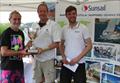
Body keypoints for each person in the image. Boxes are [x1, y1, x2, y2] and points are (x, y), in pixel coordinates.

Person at [59, 6, 92, 83]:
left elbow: (89, 45)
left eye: (73, 13)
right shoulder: (64, 29)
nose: (72, 15)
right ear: (66, 16)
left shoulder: (83, 28)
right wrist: (63, 57)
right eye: (69, 14)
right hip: (66, 63)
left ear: (76, 14)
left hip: (79, 64)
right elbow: (61, 44)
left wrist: (77, 58)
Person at [30, 2, 61, 83]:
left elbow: (57, 43)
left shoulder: (54, 25)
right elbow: (32, 40)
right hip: (36, 60)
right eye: (40, 11)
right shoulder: (34, 25)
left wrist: (43, 49)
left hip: (48, 60)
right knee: (37, 81)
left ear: (47, 12)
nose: (42, 13)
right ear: (38, 13)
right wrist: (29, 49)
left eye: (44, 11)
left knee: (49, 81)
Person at [0, 10, 29, 83]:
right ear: (10, 20)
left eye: (19, 19)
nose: (17, 21)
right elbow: (4, 52)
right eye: (15, 19)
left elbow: (21, 52)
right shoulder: (6, 33)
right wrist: (20, 52)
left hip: (19, 68)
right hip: (7, 69)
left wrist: (27, 47)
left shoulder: (21, 33)